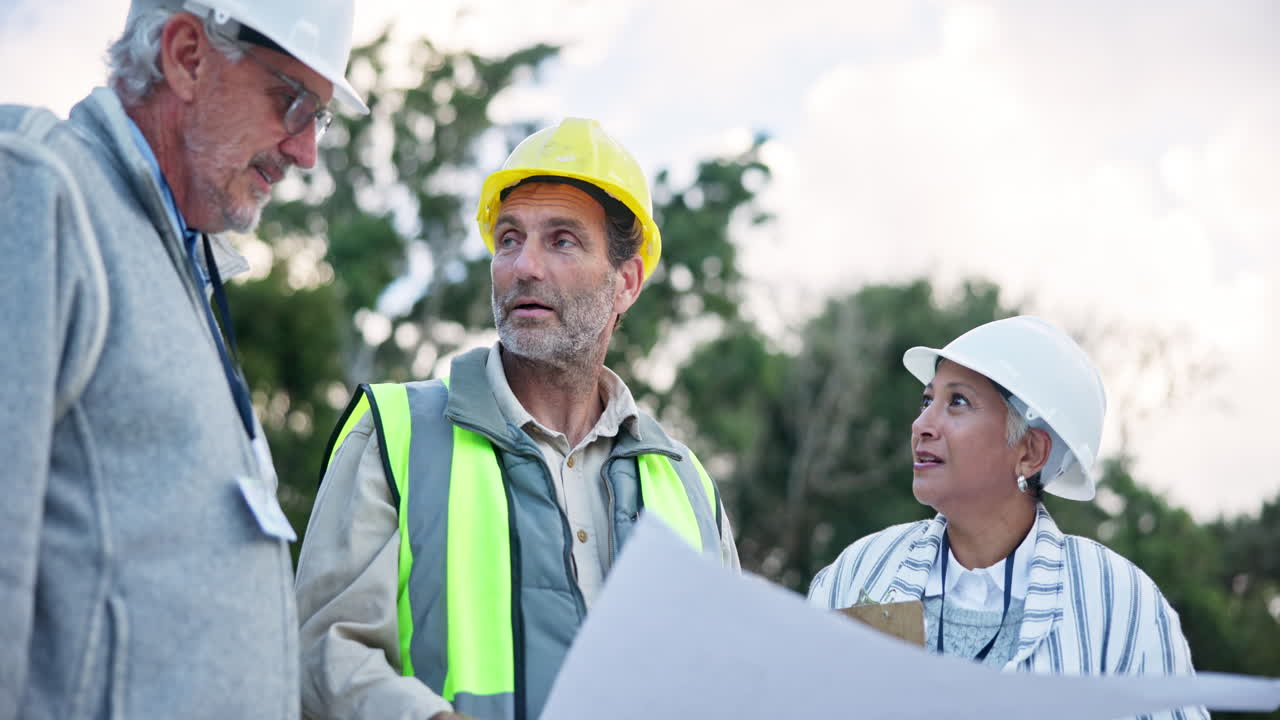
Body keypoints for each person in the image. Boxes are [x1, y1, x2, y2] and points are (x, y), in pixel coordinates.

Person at [294, 117, 740, 720]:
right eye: (508, 238)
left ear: (626, 282)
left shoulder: (687, 485)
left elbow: (730, 681)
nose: (522, 266)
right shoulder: (394, 434)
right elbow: (321, 654)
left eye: (561, 240)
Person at [0, 2, 367, 718]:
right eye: (291, 101)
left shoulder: (183, 258)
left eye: (317, 117)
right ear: (187, 57)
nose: (304, 152)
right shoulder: (37, 192)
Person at [808, 316, 1206, 718]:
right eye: (927, 401)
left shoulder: (1118, 600)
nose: (922, 425)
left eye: (957, 402)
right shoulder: (859, 572)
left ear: (1030, 451)